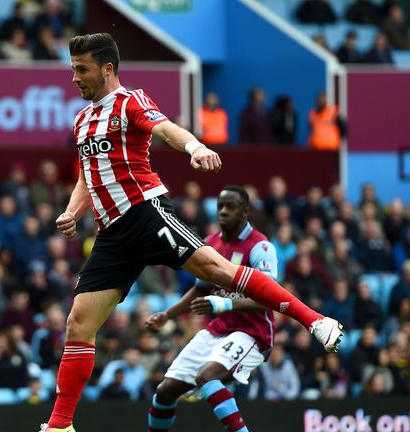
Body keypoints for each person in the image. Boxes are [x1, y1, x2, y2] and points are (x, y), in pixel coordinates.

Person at [39, 33, 341, 432]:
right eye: (73, 69)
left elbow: (166, 130)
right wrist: (72, 212)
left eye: (82, 69)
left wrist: (195, 147)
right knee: (79, 323)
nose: (74, 77)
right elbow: (88, 176)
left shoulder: (131, 101)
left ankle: (315, 320)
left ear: (107, 69)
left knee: (216, 271)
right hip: (112, 233)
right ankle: (60, 426)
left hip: (145, 212)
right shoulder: (81, 120)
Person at [146, 186, 278, 432]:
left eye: (231, 207)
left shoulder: (261, 247)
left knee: (207, 378)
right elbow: (200, 289)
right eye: (220, 206)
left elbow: (269, 299)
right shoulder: (209, 244)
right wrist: (167, 315)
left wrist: (223, 303)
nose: (223, 212)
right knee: (164, 392)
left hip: (252, 333)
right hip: (219, 329)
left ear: (245, 211)